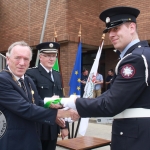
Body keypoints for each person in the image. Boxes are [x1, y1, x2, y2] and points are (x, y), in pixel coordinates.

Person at [60, 6, 150, 150]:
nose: (111, 34)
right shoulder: (139, 55)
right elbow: (111, 94)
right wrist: (81, 106)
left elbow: (111, 104)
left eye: (116, 29)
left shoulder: (136, 59)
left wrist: (74, 102)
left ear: (132, 27)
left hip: (136, 139)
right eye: (109, 30)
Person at [0, 41, 79, 150]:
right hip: (13, 141)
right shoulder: (2, 80)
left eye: (26, 59)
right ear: (8, 59)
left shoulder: (27, 80)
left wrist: (53, 103)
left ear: (30, 62)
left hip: (32, 139)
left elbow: (36, 101)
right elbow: (25, 108)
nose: (22, 63)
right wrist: (59, 114)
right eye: (17, 58)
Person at [26, 42, 68, 150]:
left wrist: (64, 126)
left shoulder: (57, 75)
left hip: (54, 126)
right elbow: (32, 100)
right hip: (39, 125)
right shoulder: (31, 74)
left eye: (53, 56)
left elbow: (61, 101)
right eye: (48, 56)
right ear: (40, 56)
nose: (51, 59)